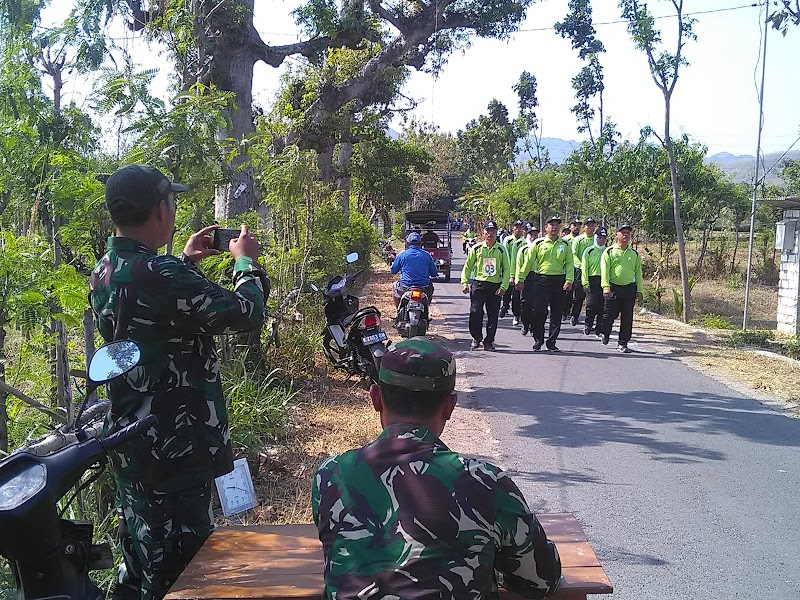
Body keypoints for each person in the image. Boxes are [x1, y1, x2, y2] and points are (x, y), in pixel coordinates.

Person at [89, 164, 268, 600]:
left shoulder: (107, 268)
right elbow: (246, 314)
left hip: (133, 437)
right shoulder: (162, 276)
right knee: (180, 573)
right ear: (159, 211)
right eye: (171, 201)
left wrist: (184, 261)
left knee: (139, 556)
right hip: (175, 445)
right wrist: (245, 262)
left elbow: (150, 309)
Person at [312, 338, 562, 600]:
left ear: (376, 398)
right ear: (450, 406)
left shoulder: (330, 475)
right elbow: (541, 579)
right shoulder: (486, 483)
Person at [516, 216, 573, 352]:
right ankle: (538, 339)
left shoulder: (564, 245)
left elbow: (569, 264)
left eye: (556, 225)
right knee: (539, 312)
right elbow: (528, 262)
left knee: (556, 314)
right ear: (545, 228)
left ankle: (552, 341)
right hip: (541, 281)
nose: (554, 227)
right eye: (551, 225)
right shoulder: (538, 244)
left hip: (558, 281)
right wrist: (520, 278)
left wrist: (569, 280)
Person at [460, 220, 510, 351]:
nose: (490, 233)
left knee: (493, 315)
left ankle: (489, 341)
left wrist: (504, 287)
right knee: (475, 312)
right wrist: (465, 282)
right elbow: (468, 266)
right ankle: (476, 337)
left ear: (496, 232)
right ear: (483, 232)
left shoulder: (501, 249)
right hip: (479, 285)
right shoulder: (476, 248)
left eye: (493, 231)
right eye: (488, 231)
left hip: (495, 286)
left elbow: (506, 269)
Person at [599, 223, 644, 353]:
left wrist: (639, 290)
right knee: (609, 315)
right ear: (616, 234)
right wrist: (606, 287)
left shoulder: (634, 254)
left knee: (627, 317)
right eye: (622, 232)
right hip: (613, 288)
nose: (625, 235)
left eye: (628, 233)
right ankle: (605, 332)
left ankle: (623, 343)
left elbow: (638, 273)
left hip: (629, 289)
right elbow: (605, 271)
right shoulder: (609, 251)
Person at [390, 231, 438, 308]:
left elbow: (393, 270)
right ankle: (426, 309)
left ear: (407, 243)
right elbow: (434, 272)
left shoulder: (402, 255)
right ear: (420, 243)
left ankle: (398, 310)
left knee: (395, 287)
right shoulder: (426, 255)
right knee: (430, 292)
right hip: (424, 286)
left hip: (406, 285)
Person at [568, 217, 597, 326]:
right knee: (578, 296)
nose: (590, 227)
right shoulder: (579, 239)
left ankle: (590, 320)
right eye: (588, 225)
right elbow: (573, 254)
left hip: (593, 272)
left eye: (592, 225)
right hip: (580, 271)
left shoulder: (596, 239)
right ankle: (574, 316)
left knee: (593, 298)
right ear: (584, 227)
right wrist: (581, 265)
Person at [580, 226, 608, 337]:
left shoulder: (607, 251)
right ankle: (588, 323)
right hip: (592, 280)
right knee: (591, 304)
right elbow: (584, 267)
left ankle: (599, 328)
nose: (601, 240)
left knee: (602, 306)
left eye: (604, 238)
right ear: (596, 237)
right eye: (599, 237)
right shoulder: (589, 251)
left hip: (604, 280)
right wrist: (585, 282)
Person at [500, 219, 527, 324]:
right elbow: (506, 255)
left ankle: (517, 314)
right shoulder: (508, 240)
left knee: (517, 294)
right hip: (508, 268)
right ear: (513, 228)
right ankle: (505, 306)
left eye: (520, 227)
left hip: (519, 270)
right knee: (507, 291)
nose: (518, 229)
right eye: (516, 227)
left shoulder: (524, 241)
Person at [516, 222, 539, 336]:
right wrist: (518, 279)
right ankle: (525, 324)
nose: (534, 237)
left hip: (538, 276)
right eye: (532, 235)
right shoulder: (523, 249)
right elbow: (518, 265)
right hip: (526, 277)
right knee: (526, 303)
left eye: (536, 234)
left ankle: (534, 326)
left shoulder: (540, 247)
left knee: (537, 304)